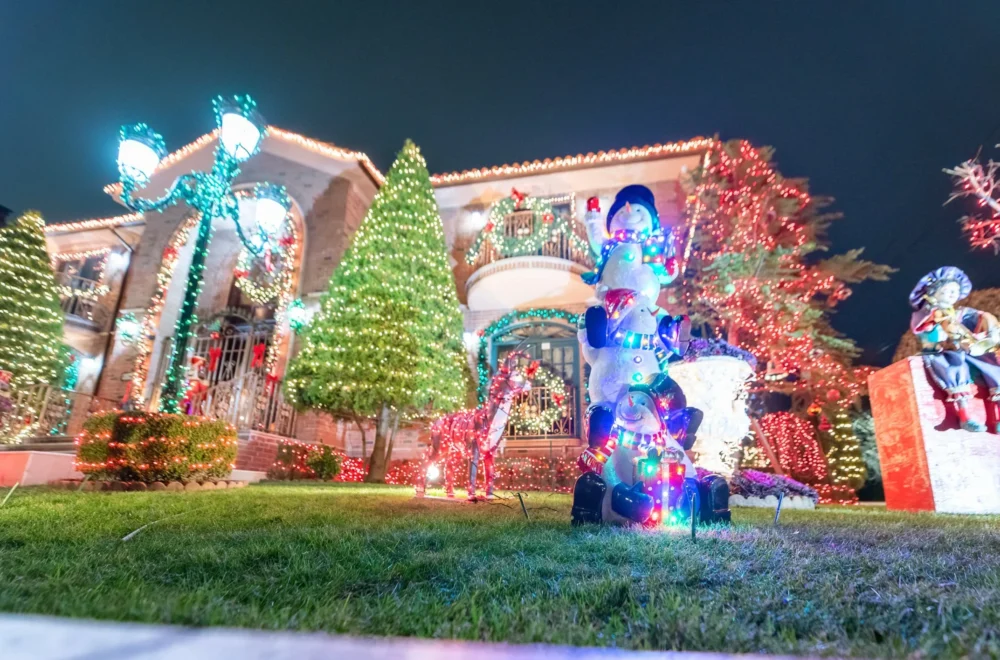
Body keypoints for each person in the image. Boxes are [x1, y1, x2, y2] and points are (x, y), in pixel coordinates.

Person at [909, 267, 1000, 432]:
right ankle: (965, 416)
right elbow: (942, 328)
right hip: (937, 353)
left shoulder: (959, 312)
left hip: (963, 350)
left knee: (991, 365)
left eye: (956, 291)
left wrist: (988, 322)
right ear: (933, 293)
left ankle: (998, 415)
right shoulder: (927, 314)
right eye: (947, 290)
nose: (953, 294)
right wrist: (944, 320)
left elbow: (976, 316)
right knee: (956, 367)